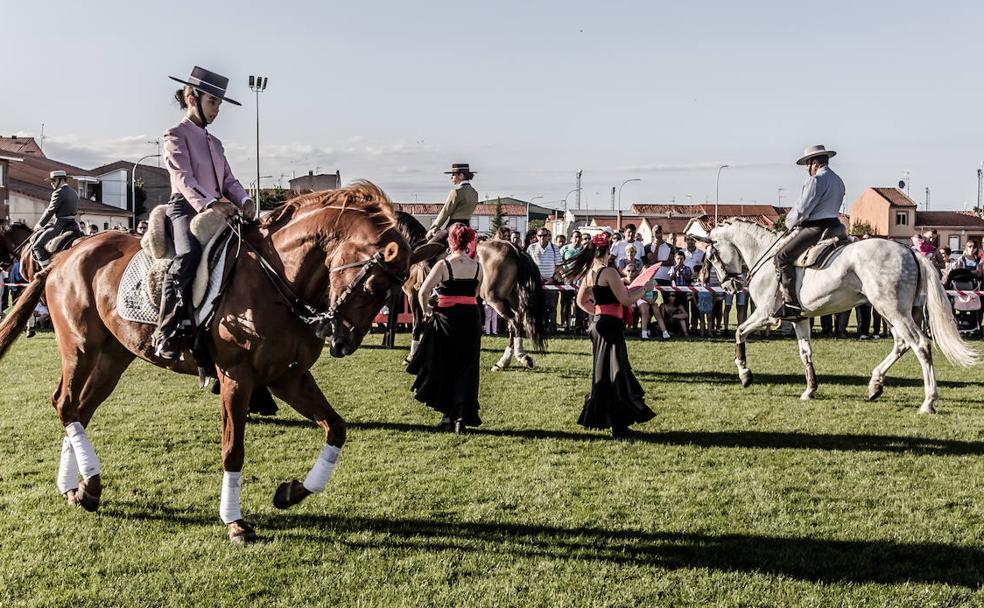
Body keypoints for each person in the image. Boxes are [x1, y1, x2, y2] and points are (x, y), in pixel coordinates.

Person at [153, 66, 254, 360]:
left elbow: (230, 181)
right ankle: (166, 329)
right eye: (213, 102)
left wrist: (245, 199)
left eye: (220, 104)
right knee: (188, 255)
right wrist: (211, 203)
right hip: (184, 208)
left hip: (219, 210)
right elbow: (184, 179)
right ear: (191, 98)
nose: (217, 110)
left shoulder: (216, 143)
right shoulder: (175, 135)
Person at [563, 232, 655, 438]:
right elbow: (625, 299)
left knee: (604, 373)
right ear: (608, 251)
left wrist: (597, 312)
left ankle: (610, 420)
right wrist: (645, 289)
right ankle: (618, 424)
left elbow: (581, 301)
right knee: (617, 372)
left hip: (598, 325)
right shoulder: (610, 273)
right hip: (610, 326)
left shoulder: (589, 273)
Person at [407, 223, 483, 434]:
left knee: (445, 365)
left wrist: (428, 311)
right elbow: (475, 294)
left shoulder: (443, 265)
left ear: (450, 241)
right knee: (467, 367)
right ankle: (461, 416)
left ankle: (448, 414)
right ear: (468, 242)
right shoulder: (477, 266)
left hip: (447, 318)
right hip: (470, 318)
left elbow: (423, 292)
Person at [773, 145, 846, 320]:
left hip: (816, 227)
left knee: (781, 257)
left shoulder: (816, 180)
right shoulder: (838, 180)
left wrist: (788, 223)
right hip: (837, 226)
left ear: (814, 163)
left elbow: (802, 209)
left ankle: (791, 303)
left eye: (808, 164)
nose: (807, 168)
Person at [31, 171, 80, 268]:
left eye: (53, 180)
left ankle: (45, 272)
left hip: (60, 226)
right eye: (51, 181)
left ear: (61, 180)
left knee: (37, 246)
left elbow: (50, 211)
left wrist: (39, 225)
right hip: (74, 226)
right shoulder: (74, 192)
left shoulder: (58, 192)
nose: (51, 183)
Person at [424, 163, 478, 248]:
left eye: (453, 175)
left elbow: (445, 211)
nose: (451, 177)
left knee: (428, 248)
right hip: (467, 227)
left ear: (461, 175)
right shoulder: (475, 193)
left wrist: (434, 228)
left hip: (453, 227)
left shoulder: (456, 192)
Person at [527, 227, 562, 333]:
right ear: (537, 237)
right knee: (536, 306)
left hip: (551, 283)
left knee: (551, 307)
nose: (542, 237)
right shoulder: (531, 248)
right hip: (536, 283)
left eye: (544, 235)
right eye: (540, 235)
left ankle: (552, 328)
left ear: (548, 236)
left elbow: (559, 266)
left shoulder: (554, 248)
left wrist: (552, 278)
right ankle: (538, 328)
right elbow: (528, 265)